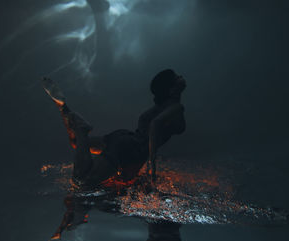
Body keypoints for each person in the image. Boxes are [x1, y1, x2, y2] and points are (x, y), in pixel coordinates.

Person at [42, 69, 186, 191]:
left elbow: (148, 122)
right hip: (130, 148)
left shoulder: (160, 107)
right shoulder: (176, 107)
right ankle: (81, 129)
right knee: (82, 182)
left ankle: (63, 108)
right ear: (172, 89)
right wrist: (152, 161)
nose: (181, 77)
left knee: (77, 143)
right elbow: (155, 124)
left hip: (124, 138)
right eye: (177, 77)